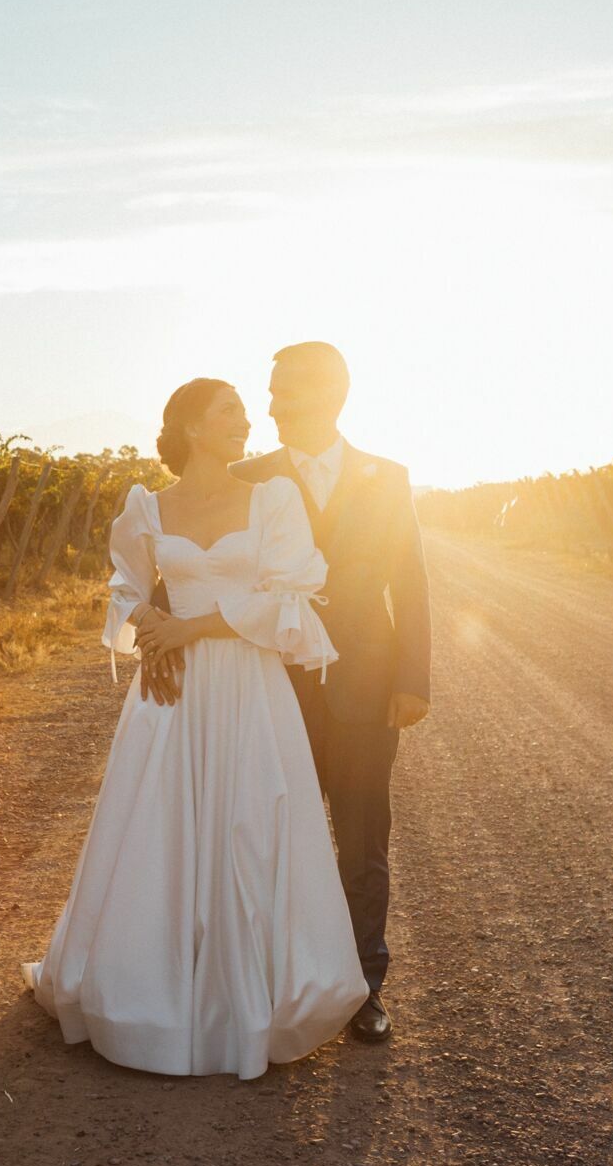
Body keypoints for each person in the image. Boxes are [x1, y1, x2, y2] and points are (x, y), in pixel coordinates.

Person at [20, 377, 368, 1080]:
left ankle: (247, 998)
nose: (247, 421)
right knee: (161, 828)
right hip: (170, 690)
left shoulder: (273, 498)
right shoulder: (146, 506)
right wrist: (152, 630)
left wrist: (188, 628)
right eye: (230, 411)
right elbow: (125, 586)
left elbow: (285, 600)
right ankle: (153, 992)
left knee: (246, 823)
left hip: (246, 684)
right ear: (192, 427)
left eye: (244, 410)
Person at [143, 342, 431, 1044]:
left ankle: (362, 986)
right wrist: (160, 633)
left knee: (363, 837)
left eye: (284, 393)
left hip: (365, 682)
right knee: (269, 832)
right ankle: (273, 976)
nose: (269, 406)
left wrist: (413, 679)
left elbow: (410, 579)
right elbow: (183, 558)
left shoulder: (386, 477)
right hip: (264, 684)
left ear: (331, 392)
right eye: (266, 394)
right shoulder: (246, 476)